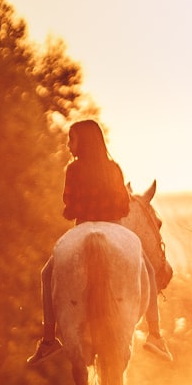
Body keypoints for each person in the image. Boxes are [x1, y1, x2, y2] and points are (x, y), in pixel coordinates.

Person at [26, 119, 171, 365]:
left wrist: (75, 211)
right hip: (114, 225)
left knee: (46, 274)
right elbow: (124, 206)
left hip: (82, 225)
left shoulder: (72, 170)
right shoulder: (113, 169)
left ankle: (49, 339)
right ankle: (155, 334)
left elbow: (69, 207)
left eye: (72, 139)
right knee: (147, 269)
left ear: (83, 142)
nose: (68, 145)